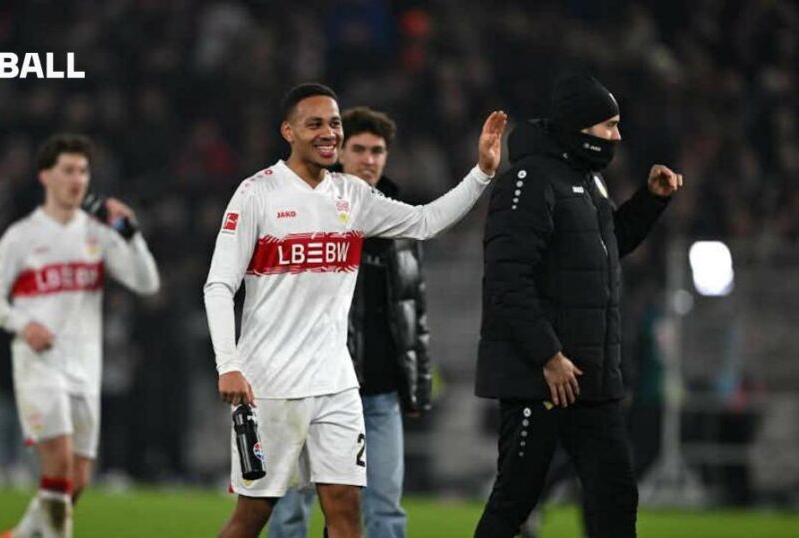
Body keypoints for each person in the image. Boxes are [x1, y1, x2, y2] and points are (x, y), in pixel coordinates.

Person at [205, 83, 506, 538]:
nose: (329, 133)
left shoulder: (352, 196)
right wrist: (228, 365)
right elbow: (219, 285)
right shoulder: (256, 195)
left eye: (334, 123)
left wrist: (481, 173)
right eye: (316, 124)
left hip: (336, 383)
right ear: (289, 132)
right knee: (254, 515)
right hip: (270, 385)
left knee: (346, 513)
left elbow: (425, 222)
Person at [474, 74, 683, 538]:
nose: (617, 136)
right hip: (541, 377)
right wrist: (548, 355)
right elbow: (508, 281)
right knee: (516, 500)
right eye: (609, 126)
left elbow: (605, 246)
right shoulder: (528, 182)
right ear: (580, 127)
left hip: (589, 376)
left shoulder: (587, 182)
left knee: (615, 495)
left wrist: (650, 201)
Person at [0, 133, 160, 538]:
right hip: (38, 364)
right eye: (67, 170)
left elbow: (146, 283)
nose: (77, 179)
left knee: (77, 480)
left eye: (82, 171)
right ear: (46, 176)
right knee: (58, 463)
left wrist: (131, 234)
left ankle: (20, 535)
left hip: (85, 366)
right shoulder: (21, 236)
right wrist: (24, 325)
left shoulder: (96, 235)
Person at [267, 106, 431, 538]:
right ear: (339, 154)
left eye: (378, 150)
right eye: (358, 148)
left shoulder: (401, 221)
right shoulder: (306, 212)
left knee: (385, 508)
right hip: (311, 385)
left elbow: (413, 306)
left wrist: (417, 381)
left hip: (380, 392)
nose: (369, 159)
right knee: (291, 505)